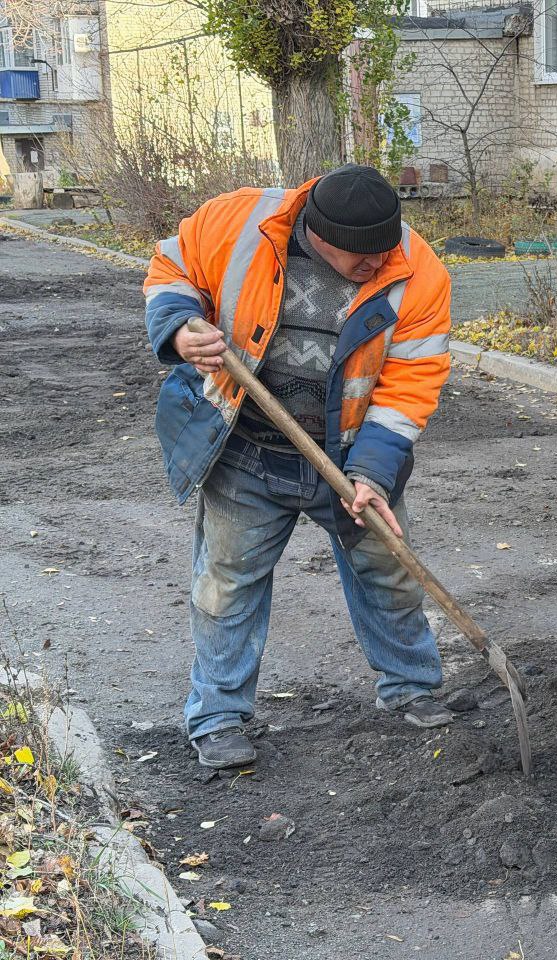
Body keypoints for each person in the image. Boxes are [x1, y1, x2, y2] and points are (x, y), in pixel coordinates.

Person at [144, 164, 454, 769]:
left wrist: (372, 474)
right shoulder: (238, 222)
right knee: (225, 588)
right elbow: (170, 266)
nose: (376, 265)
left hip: (348, 454)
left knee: (391, 573)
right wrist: (181, 328)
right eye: (360, 260)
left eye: (383, 253)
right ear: (317, 234)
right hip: (246, 450)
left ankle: (412, 686)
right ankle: (218, 716)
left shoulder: (419, 272)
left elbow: (409, 387)